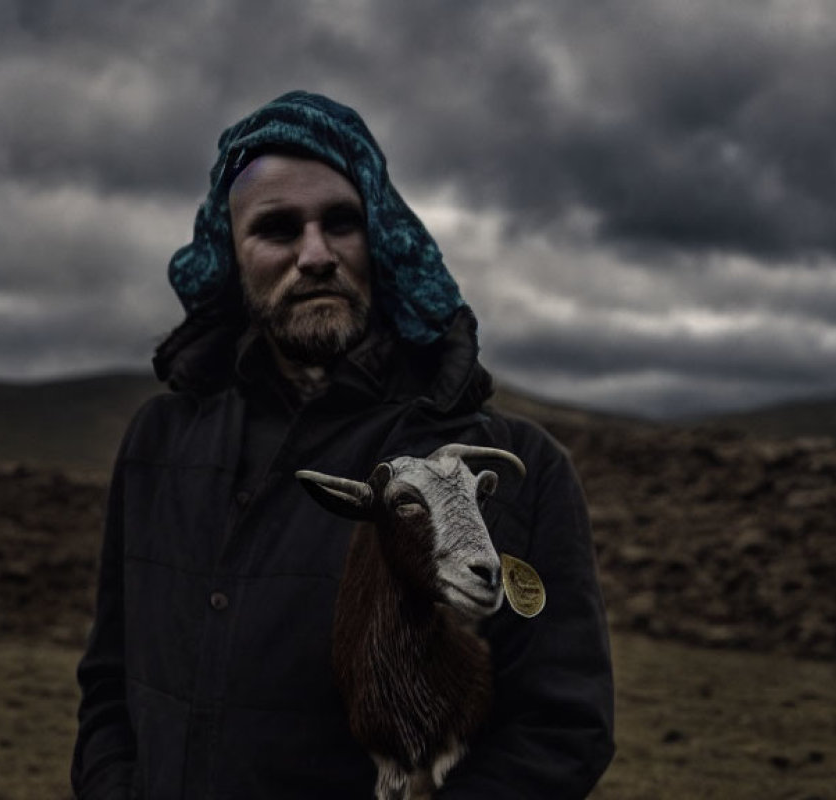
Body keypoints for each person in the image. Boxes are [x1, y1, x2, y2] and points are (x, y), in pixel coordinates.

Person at [71, 91, 615, 799]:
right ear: (232, 256)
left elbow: (559, 731)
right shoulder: (160, 440)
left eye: (342, 222)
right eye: (277, 228)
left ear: (384, 237)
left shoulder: (519, 469)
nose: (315, 254)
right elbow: (111, 684)